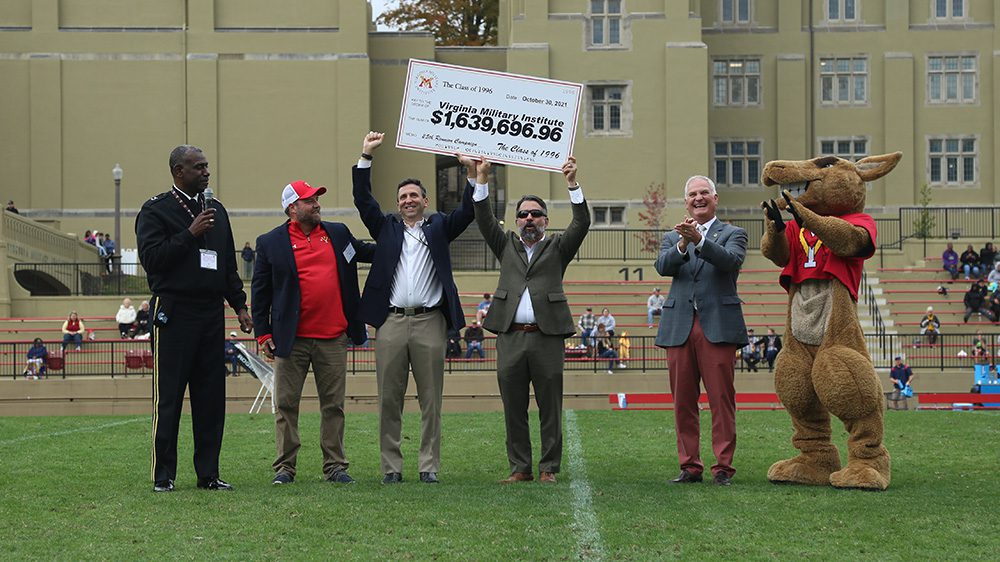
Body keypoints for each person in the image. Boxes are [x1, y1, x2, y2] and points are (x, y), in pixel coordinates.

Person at [353, 131, 475, 485]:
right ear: (397, 203)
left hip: (430, 322)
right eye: (402, 196)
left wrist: (469, 173)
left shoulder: (438, 227)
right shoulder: (386, 228)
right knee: (389, 399)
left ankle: (428, 466)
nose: (408, 200)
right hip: (390, 322)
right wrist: (366, 157)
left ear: (425, 200)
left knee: (431, 400)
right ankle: (391, 468)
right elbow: (363, 200)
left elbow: (467, 211)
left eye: (414, 196)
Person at [136, 144, 252, 493]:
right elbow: (153, 259)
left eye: (207, 167)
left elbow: (227, 265)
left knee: (210, 398)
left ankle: (208, 474)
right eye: (198, 167)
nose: (206, 172)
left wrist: (240, 306)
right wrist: (190, 234)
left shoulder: (215, 210)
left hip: (210, 313)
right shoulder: (156, 211)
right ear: (178, 172)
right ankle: (163, 476)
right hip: (174, 311)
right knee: (169, 396)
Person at [473, 154, 589, 485]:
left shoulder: (557, 247)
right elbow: (482, 218)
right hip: (510, 336)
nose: (528, 218)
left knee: (550, 406)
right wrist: (481, 179)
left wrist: (572, 184)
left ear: (545, 220)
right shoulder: (505, 244)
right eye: (522, 214)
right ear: (516, 220)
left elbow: (581, 224)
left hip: (547, 337)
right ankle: (520, 468)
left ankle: (548, 468)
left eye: (535, 214)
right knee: (513, 406)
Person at [253, 178, 375, 486]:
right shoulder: (270, 242)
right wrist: (263, 334)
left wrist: (400, 241)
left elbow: (365, 252)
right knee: (286, 405)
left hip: (333, 337)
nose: (317, 204)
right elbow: (260, 293)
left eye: (316, 199)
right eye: (310, 200)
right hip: (290, 339)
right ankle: (285, 468)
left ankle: (335, 466)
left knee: (333, 405)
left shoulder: (337, 233)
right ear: (292, 208)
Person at [655, 175, 747, 487]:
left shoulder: (734, 233)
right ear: (686, 202)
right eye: (693, 194)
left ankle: (722, 467)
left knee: (721, 399)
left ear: (715, 198)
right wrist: (683, 242)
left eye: (704, 193)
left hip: (717, 326)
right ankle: (689, 466)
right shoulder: (673, 237)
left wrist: (700, 241)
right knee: (682, 400)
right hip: (679, 324)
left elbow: (730, 262)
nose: (698, 198)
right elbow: (663, 266)